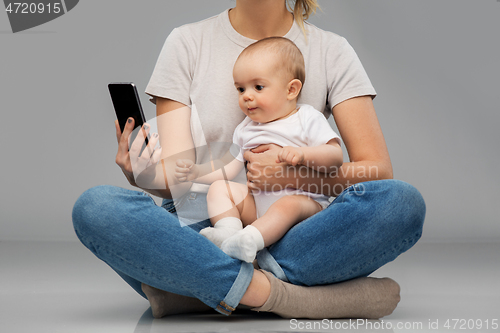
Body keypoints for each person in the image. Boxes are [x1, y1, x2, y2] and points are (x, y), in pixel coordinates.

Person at [72, 0, 425, 320]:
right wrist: (142, 175)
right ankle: (284, 296)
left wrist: (295, 178)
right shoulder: (187, 42)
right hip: (204, 227)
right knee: (97, 208)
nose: (247, 98)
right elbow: (178, 178)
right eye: (242, 89)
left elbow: (376, 172)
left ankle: (199, 288)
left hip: (297, 228)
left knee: (401, 203)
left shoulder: (331, 50)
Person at [174, 37, 344, 264]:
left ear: (291, 89)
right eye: (241, 89)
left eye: (258, 87)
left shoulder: (306, 118)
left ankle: (250, 240)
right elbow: (229, 165)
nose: (246, 95)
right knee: (220, 188)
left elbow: (335, 156)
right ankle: (229, 233)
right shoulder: (245, 129)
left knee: (288, 204)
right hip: (258, 208)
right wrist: (197, 172)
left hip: (305, 207)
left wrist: (304, 155)